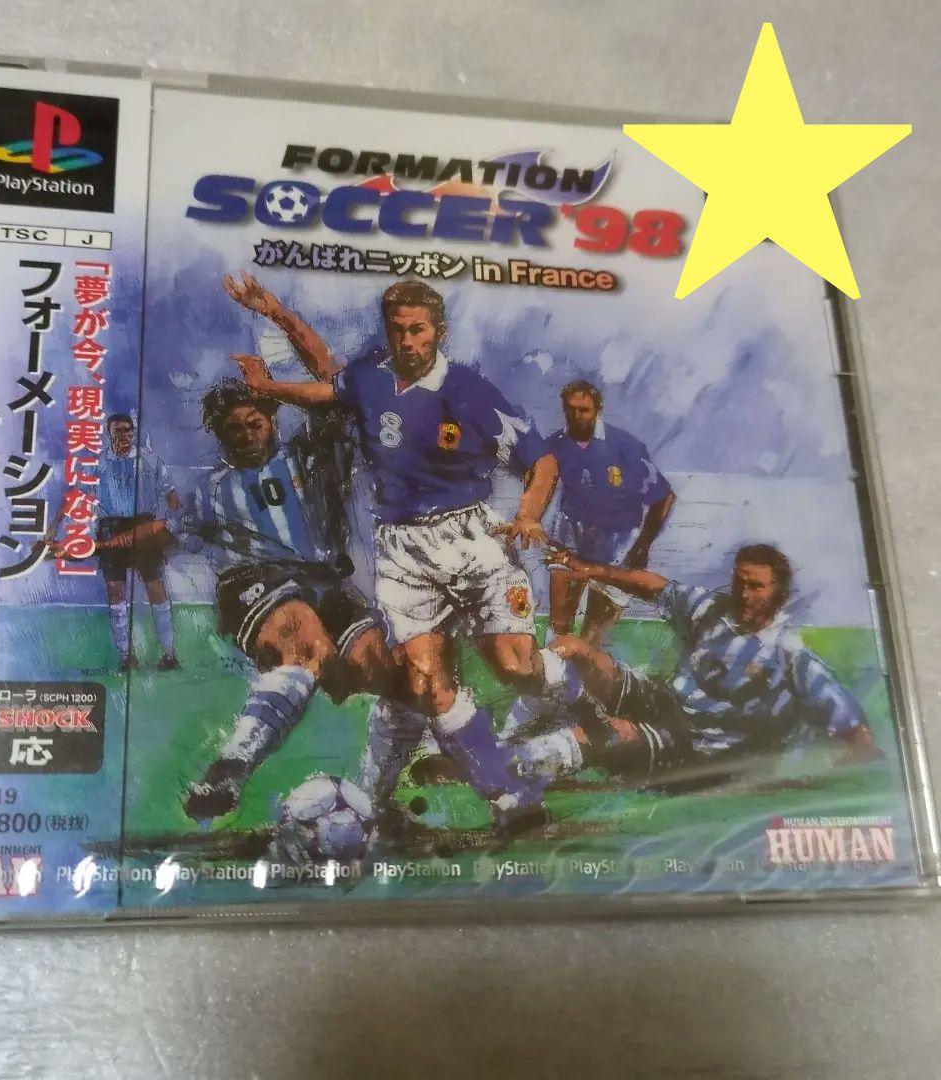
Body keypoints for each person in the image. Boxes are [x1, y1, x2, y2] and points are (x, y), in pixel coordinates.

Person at [227, 274, 556, 828]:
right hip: (402, 552)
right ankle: (508, 795)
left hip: (470, 538)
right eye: (398, 330)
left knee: (515, 666)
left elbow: (540, 461)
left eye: (418, 330)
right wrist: (273, 333)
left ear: (439, 331)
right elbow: (327, 381)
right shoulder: (372, 377)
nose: (407, 341)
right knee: (425, 683)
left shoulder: (471, 393)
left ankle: (574, 680)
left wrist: (528, 514)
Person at [177, 376, 412, 821]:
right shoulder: (210, 492)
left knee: (384, 670)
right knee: (306, 646)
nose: (247, 436)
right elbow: (170, 533)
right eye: (234, 429)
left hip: (326, 584)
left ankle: (372, 802)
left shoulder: (311, 457)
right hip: (255, 582)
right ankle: (229, 770)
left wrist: (272, 380)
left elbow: (336, 395)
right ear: (220, 434)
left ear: (273, 420)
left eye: (255, 423)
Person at [511, 543, 880, 783]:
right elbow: (653, 587)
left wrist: (851, 754)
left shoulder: (787, 652)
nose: (744, 594)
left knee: (602, 736)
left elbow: (842, 714)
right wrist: (589, 569)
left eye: (756, 587)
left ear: (778, 593)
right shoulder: (712, 610)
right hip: (665, 700)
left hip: (696, 745)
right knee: (574, 649)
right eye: (740, 583)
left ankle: (514, 766)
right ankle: (517, 726)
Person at [546, 380, 675, 642]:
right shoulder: (554, 444)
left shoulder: (626, 447)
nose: (577, 416)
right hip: (571, 532)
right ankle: (554, 664)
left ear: (598, 409)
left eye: (584, 410)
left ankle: (585, 663)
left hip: (618, 540)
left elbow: (664, 496)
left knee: (593, 636)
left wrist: (643, 546)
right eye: (570, 409)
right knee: (559, 624)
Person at [94, 413, 180, 671]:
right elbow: (79, 494)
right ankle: (126, 655)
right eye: (118, 431)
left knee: (155, 586)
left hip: (143, 525)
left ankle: (169, 653)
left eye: (128, 430)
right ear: (109, 434)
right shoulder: (98, 464)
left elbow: (170, 493)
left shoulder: (150, 460)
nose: (124, 435)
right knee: (115, 591)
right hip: (111, 528)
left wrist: (172, 519)